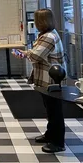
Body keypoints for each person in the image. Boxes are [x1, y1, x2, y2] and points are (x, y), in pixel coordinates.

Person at [13, 8, 66, 153]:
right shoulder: (46, 34)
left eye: (36, 20)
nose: (35, 23)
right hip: (46, 78)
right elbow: (36, 53)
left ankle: (58, 142)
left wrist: (25, 55)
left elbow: (36, 56)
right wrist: (25, 53)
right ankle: (50, 135)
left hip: (51, 79)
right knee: (50, 109)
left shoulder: (48, 36)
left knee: (55, 111)